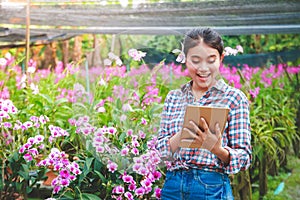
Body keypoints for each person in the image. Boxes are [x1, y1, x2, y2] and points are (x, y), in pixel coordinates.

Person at [156, 27, 252, 200]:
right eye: (196, 60)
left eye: (211, 60)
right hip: (172, 186)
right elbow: (158, 152)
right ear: (185, 59)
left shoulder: (234, 99)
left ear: (221, 59)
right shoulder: (174, 97)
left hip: (211, 186)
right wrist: (182, 135)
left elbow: (244, 157)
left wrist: (218, 150)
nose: (203, 68)